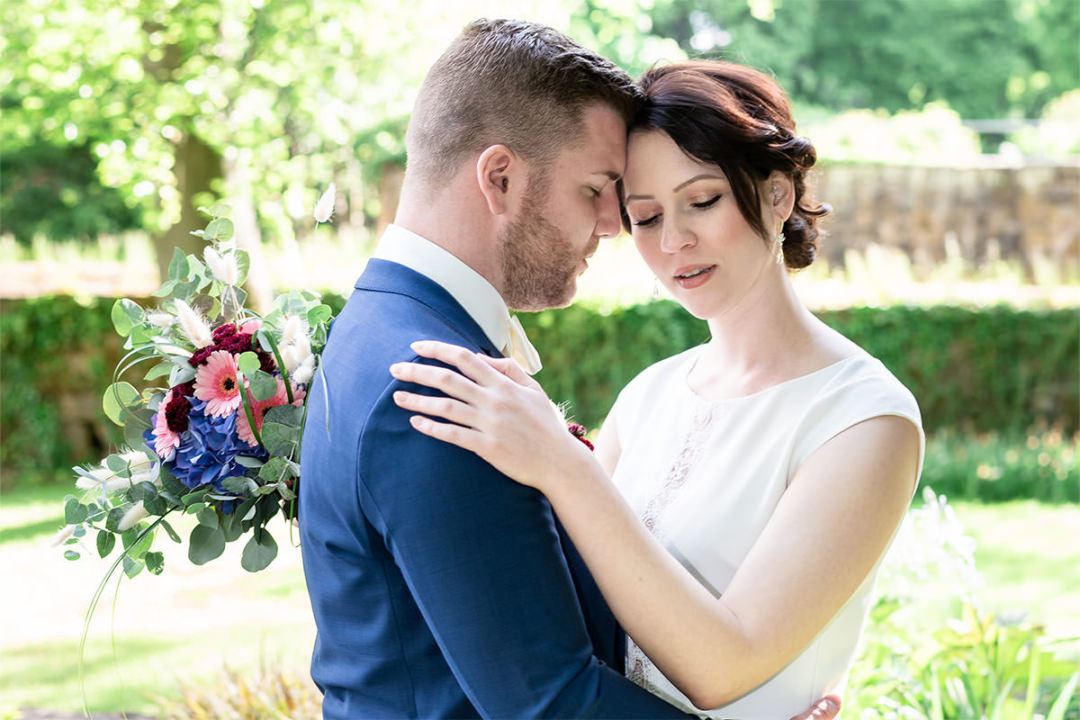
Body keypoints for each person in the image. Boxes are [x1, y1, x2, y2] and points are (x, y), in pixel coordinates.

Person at [300, 19, 842, 720]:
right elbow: (549, 703)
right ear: (499, 178)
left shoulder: (383, 325)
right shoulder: (435, 384)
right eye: (597, 189)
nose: (617, 226)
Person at [389, 59, 925, 718]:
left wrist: (560, 461)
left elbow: (721, 666)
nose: (675, 240)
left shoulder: (865, 420)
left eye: (703, 200)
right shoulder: (651, 394)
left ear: (779, 195)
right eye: (644, 217)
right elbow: (567, 612)